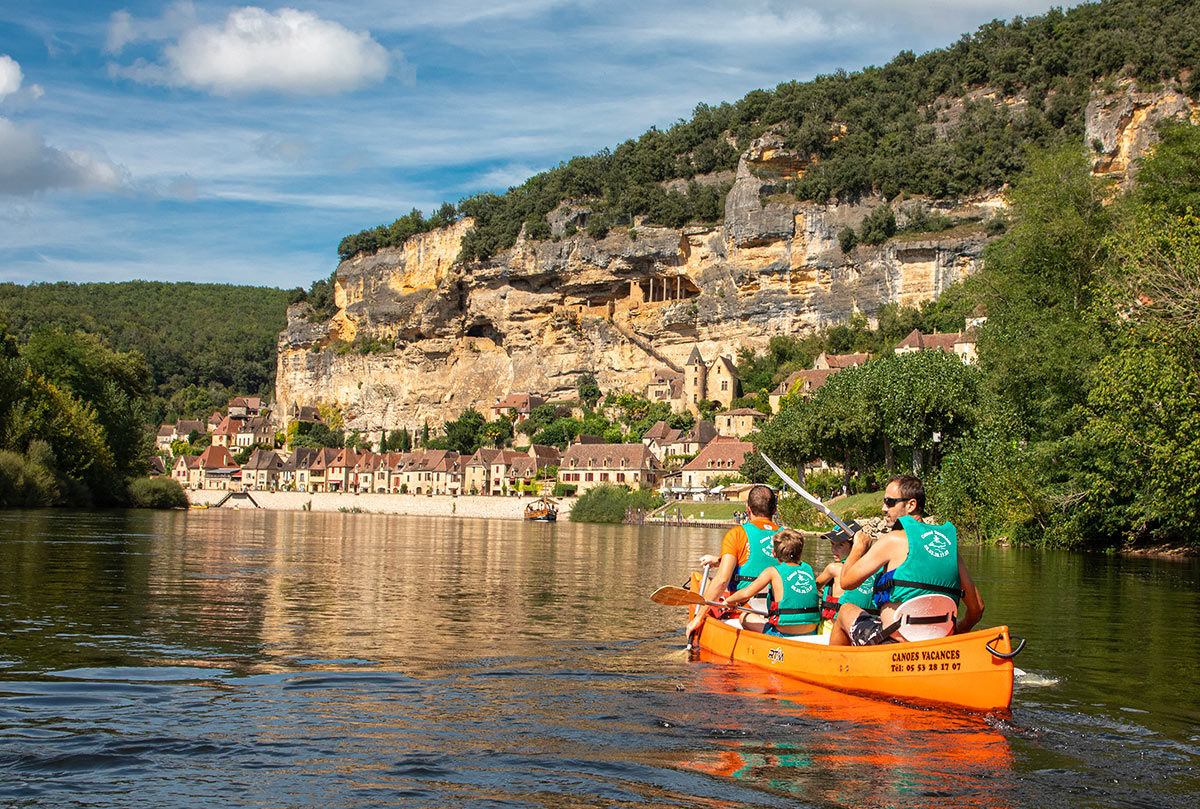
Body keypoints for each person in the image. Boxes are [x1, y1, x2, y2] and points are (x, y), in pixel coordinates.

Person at [833, 475, 984, 646]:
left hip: (894, 641)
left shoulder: (893, 540)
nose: (883, 508)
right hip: (940, 641)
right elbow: (977, 609)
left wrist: (858, 548)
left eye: (890, 502)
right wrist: (959, 630)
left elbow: (846, 582)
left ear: (911, 504)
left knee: (845, 610)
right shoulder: (950, 549)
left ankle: (835, 668)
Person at [686, 484, 780, 640]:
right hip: (775, 609)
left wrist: (698, 618)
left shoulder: (737, 534)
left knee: (707, 582)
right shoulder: (788, 537)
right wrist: (720, 560)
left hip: (743, 611)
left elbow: (722, 580)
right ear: (774, 510)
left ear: (747, 509)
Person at [724, 529, 820, 636]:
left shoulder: (772, 571)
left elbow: (746, 594)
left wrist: (728, 602)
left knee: (745, 617)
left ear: (774, 553)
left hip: (783, 633)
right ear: (800, 553)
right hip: (811, 631)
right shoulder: (808, 569)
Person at [813, 520, 862, 635]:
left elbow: (814, 586)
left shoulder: (833, 568)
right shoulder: (870, 568)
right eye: (832, 544)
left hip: (831, 628)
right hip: (858, 629)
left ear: (854, 546)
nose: (834, 549)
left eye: (840, 545)